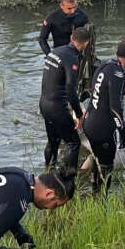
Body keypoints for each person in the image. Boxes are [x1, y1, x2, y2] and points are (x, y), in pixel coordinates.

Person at [83, 38, 125, 194]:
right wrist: (123, 132)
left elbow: (90, 93)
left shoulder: (105, 65)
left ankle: (94, 188)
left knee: (97, 157)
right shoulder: (117, 74)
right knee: (107, 165)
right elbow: (115, 108)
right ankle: (103, 199)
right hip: (101, 129)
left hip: (90, 124)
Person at [39, 27, 90, 172]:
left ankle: (48, 172)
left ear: (71, 37)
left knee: (53, 141)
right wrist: (79, 115)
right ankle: (69, 178)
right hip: (57, 107)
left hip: (44, 103)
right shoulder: (71, 58)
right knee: (73, 142)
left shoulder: (55, 51)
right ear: (85, 44)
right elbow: (70, 90)